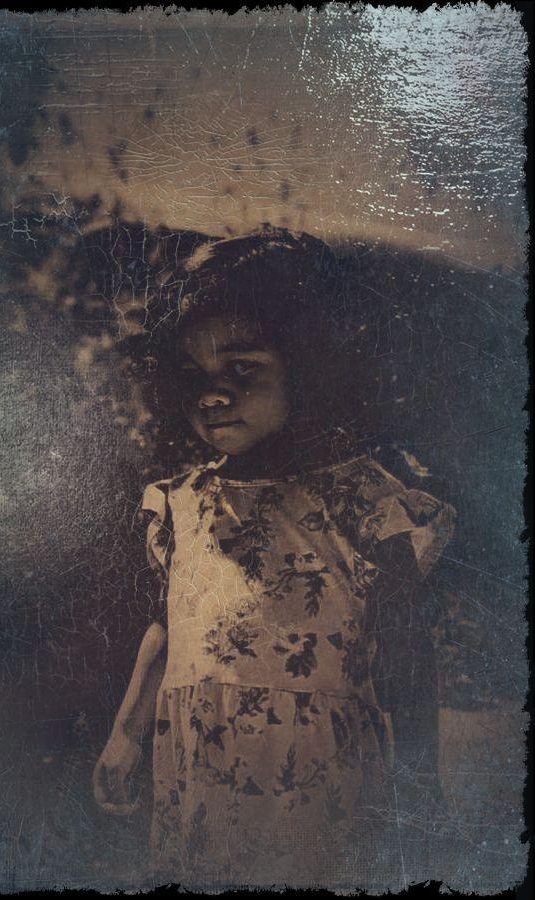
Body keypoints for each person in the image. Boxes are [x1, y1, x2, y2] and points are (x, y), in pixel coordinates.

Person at [92, 228, 455, 889]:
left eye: (242, 369)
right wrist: (126, 734)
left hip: (318, 778)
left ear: (305, 365)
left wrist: (421, 781)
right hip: (201, 772)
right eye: (194, 375)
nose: (212, 395)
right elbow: (166, 627)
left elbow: (406, 650)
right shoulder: (180, 503)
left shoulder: (364, 501)